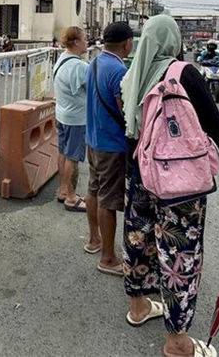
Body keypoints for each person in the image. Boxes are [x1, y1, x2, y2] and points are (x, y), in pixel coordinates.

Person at [120, 15, 219, 356]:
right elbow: (215, 128)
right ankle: (177, 343)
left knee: (138, 241)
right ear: (173, 41)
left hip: (138, 177)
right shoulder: (183, 73)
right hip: (177, 187)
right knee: (179, 256)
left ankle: (139, 306)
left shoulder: (132, 76)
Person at [84, 21, 135, 275]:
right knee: (109, 200)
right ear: (127, 43)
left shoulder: (93, 63)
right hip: (111, 146)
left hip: (92, 139)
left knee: (93, 190)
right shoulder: (119, 71)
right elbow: (123, 110)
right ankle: (107, 257)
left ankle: (94, 240)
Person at [52, 26, 89, 212]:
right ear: (76, 42)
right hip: (77, 117)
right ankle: (72, 197)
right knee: (73, 157)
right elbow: (92, 88)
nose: (87, 42)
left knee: (63, 152)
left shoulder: (61, 60)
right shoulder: (80, 66)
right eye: (84, 38)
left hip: (63, 113)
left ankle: (63, 189)